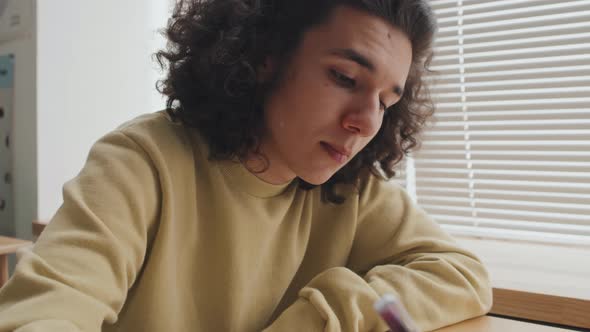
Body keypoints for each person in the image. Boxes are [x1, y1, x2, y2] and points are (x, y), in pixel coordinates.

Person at [0, 0, 492, 331]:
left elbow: (461, 274)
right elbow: (46, 311)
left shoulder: (351, 191)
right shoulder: (141, 162)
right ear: (264, 57)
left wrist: (320, 317)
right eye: (344, 77)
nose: (366, 122)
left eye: (387, 101)